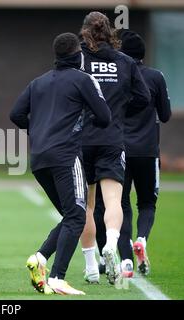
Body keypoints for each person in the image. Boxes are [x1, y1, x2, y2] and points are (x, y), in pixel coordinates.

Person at [10, 32, 111, 295]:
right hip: (66, 155)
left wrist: (39, 129)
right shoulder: (83, 79)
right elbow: (104, 117)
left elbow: (16, 114)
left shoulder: (38, 82)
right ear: (77, 55)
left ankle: (40, 259)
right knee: (77, 215)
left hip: (40, 157)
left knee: (70, 215)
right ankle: (57, 277)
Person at [78, 12, 150, 285]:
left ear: (85, 32)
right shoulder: (126, 62)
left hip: (82, 140)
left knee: (86, 205)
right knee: (114, 200)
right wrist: (118, 111)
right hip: (112, 139)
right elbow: (143, 98)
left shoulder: (79, 59)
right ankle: (111, 242)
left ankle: (91, 267)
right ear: (110, 32)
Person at [93, 31, 171, 278]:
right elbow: (166, 115)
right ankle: (142, 240)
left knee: (120, 204)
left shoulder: (117, 76)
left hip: (120, 149)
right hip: (148, 151)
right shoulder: (156, 77)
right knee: (147, 203)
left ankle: (126, 260)